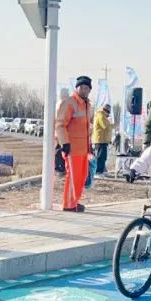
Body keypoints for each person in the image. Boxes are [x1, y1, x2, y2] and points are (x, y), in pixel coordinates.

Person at [56, 76, 93, 212]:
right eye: (81, 87)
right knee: (73, 177)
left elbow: (85, 128)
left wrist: (89, 146)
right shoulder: (70, 103)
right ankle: (69, 205)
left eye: (86, 88)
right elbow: (60, 125)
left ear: (89, 90)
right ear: (77, 88)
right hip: (72, 148)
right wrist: (64, 143)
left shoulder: (87, 104)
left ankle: (74, 201)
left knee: (82, 176)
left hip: (83, 148)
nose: (83, 90)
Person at [91, 104, 113, 180]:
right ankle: (98, 172)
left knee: (103, 156)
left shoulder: (102, 116)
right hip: (100, 140)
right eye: (108, 112)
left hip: (103, 140)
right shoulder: (101, 115)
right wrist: (111, 125)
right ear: (106, 110)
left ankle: (101, 170)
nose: (108, 114)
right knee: (100, 157)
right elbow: (105, 126)